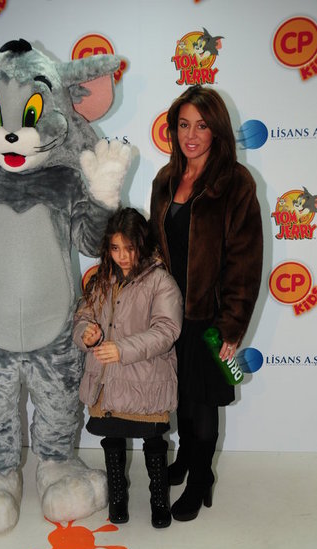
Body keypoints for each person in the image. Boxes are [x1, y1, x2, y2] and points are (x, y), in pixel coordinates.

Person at [150, 86, 263, 522]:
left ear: (216, 130)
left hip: (209, 316)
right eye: (183, 125)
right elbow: (156, 247)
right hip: (169, 314)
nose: (191, 135)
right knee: (179, 396)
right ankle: (185, 460)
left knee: (203, 403)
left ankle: (201, 480)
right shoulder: (165, 179)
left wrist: (232, 326)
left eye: (201, 126)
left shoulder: (235, 182)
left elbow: (245, 261)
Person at [73, 208, 183, 528]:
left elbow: (167, 330)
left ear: (142, 244)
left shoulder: (161, 281)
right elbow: (82, 317)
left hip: (147, 379)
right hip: (107, 380)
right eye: (115, 248)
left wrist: (122, 349)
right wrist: (86, 333)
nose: (122, 256)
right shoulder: (101, 280)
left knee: (154, 442)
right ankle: (117, 496)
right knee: (112, 439)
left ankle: (159, 500)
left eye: (130, 248)